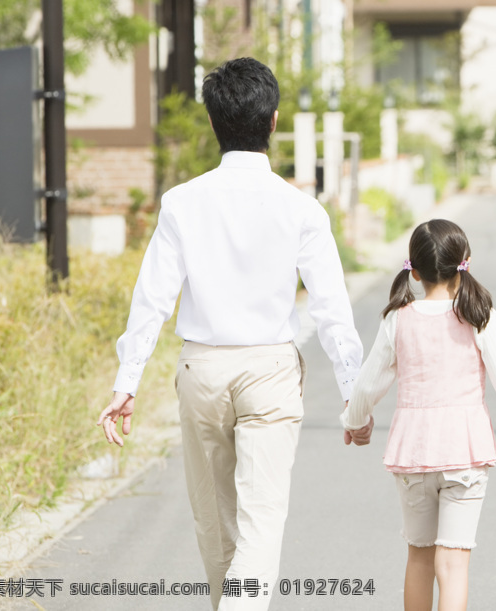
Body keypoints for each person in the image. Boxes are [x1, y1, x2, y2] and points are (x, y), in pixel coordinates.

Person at [96, 58, 366, 611]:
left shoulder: (182, 202)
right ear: (272, 122)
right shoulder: (302, 209)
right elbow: (332, 306)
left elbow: (153, 298)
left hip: (202, 370)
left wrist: (127, 381)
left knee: (215, 525)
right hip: (270, 370)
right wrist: (352, 391)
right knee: (261, 522)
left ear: (214, 123)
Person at [342, 219, 496, 611]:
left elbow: (368, 384)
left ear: (415, 271)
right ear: (463, 264)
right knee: (453, 563)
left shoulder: (397, 318)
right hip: (465, 453)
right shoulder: (479, 314)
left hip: (412, 453)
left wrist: (355, 423)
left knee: (419, 558)